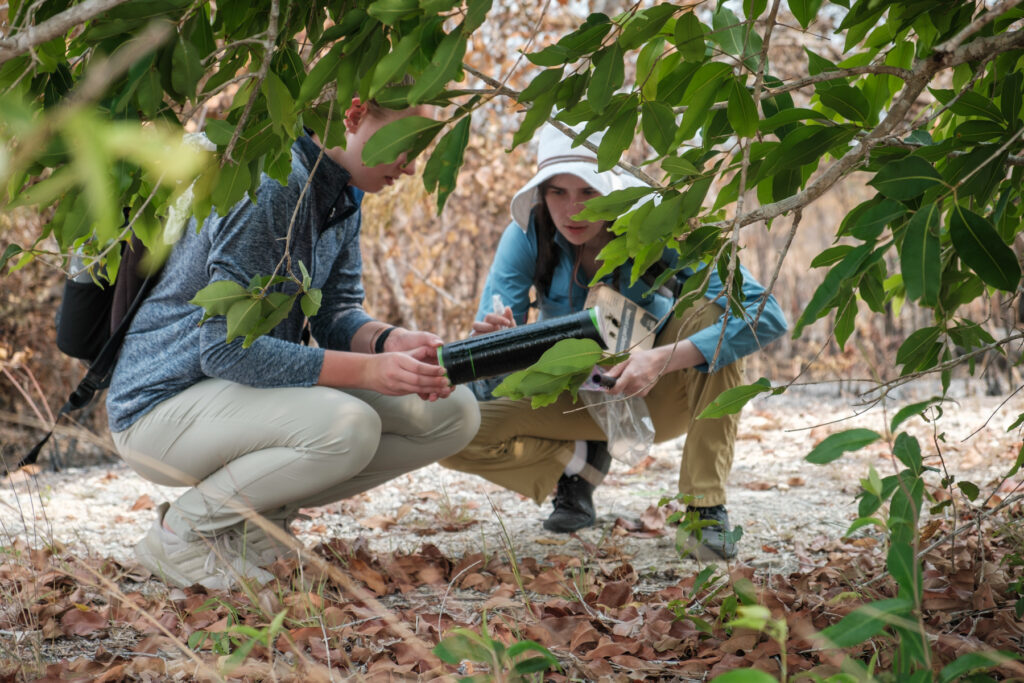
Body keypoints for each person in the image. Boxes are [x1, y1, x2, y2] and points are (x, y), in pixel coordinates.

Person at [107, 95, 480, 589]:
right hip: (162, 405)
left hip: (240, 397)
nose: (410, 168)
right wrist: (369, 373)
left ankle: (256, 526)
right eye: (405, 146)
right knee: (348, 427)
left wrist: (390, 341)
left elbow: (334, 314)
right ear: (354, 115)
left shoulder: (342, 195)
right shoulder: (274, 185)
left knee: (453, 414)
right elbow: (225, 349)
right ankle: (183, 535)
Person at [440, 123, 787, 560]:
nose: (573, 210)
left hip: (659, 388)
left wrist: (659, 360)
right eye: (557, 193)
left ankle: (705, 507)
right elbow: (485, 351)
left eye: (588, 191)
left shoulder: (662, 225)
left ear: (613, 188)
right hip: (575, 394)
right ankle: (577, 465)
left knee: (712, 308)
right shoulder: (529, 234)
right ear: (542, 195)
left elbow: (764, 312)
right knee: (447, 428)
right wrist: (499, 344)